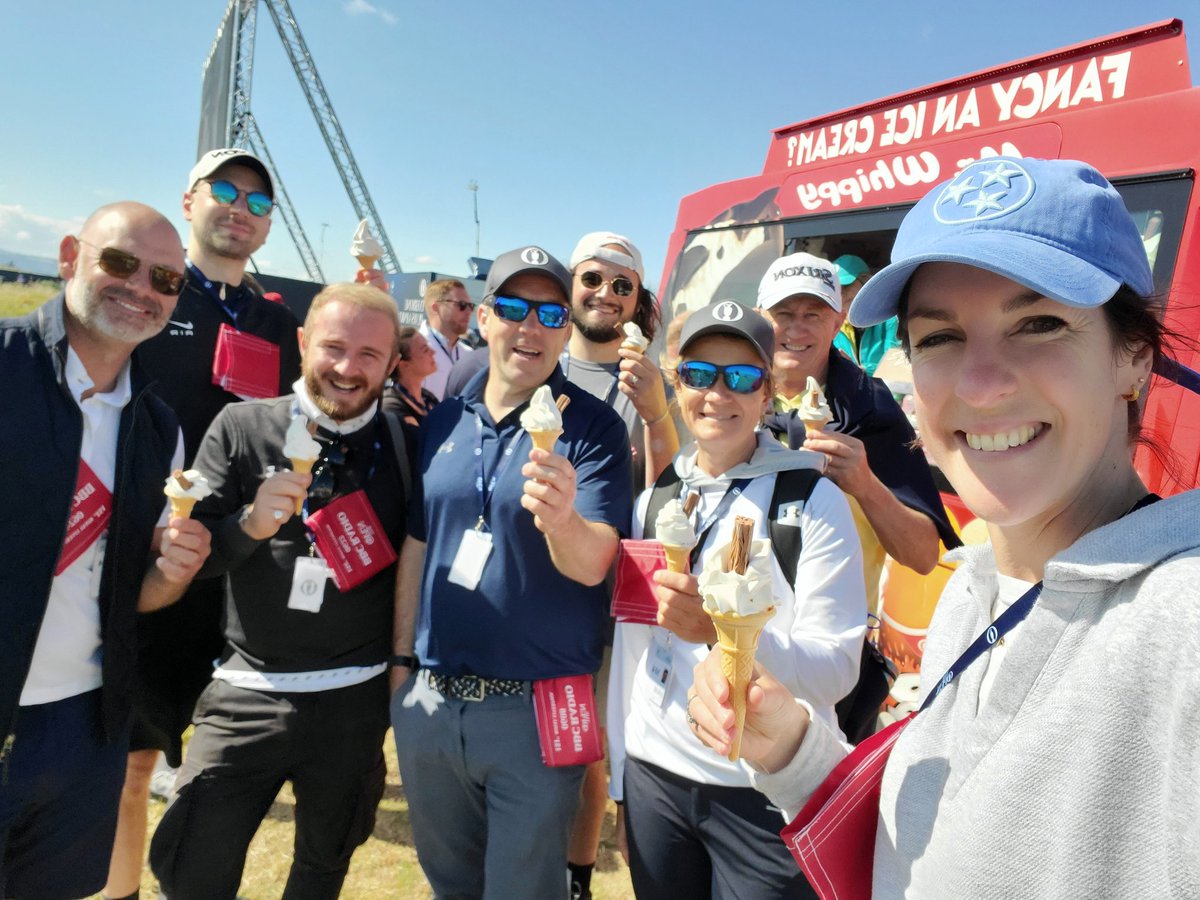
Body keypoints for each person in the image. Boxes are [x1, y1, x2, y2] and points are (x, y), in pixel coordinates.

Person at [688, 157, 1200, 898]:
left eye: (1040, 323)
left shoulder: (1181, 626)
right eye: (939, 338)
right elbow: (932, 857)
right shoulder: (973, 593)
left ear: (1134, 359)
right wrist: (797, 754)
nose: (980, 384)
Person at [149, 283, 413, 899]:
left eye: (370, 355)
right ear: (301, 343)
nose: (349, 369)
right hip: (247, 693)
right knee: (194, 869)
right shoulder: (242, 426)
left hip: (354, 700)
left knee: (322, 871)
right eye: (334, 347)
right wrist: (247, 526)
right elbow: (193, 561)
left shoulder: (405, 445)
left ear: (392, 363)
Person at [391, 246, 632, 899]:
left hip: (537, 708)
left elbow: (595, 563)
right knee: (451, 885)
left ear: (566, 328)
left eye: (551, 313)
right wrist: (399, 666)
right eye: (515, 308)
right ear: (487, 319)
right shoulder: (444, 418)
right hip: (433, 701)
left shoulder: (592, 429)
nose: (532, 326)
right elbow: (419, 542)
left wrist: (562, 521)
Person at [608, 301, 865, 899]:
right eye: (699, 374)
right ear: (677, 381)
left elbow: (835, 672)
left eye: (741, 378)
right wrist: (624, 775)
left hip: (762, 789)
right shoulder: (657, 496)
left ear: (767, 395)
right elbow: (635, 650)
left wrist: (718, 632)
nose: (717, 393)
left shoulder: (812, 502)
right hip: (657, 779)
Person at [0, 202, 210, 899]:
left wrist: (170, 574)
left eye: (166, 280)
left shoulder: (158, 427)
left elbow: (134, 594)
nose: (141, 288)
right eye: (120, 263)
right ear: (69, 257)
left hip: (82, 724)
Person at [108, 148, 302, 900]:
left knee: (220, 763)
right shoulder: (148, 296)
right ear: (189, 199)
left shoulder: (272, 319)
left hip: (243, 565)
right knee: (132, 760)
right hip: (153, 557)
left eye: (257, 201)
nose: (240, 208)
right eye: (226, 190)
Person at [561, 230, 679, 900]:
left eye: (622, 285)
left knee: (590, 748)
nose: (605, 294)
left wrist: (658, 413)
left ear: (637, 305)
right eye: (593, 280)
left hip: (613, 595)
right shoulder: (535, 359)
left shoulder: (650, 381)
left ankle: (577, 875)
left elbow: (668, 496)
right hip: (532, 584)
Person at [756, 252, 957, 607]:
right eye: (783, 314)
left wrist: (865, 485)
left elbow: (923, 557)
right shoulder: (730, 397)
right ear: (760, 318)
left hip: (832, 642)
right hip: (736, 627)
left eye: (813, 315)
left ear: (837, 324)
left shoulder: (871, 407)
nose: (796, 328)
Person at [833, 254, 899, 378]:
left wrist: (859, 371)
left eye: (846, 286)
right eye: (835, 288)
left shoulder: (890, 318)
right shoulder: (832, 324)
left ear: (866, 283)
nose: (840, 294)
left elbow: (896, 369)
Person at [419, 278, 474, 400]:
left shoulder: (469, 355)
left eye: (471, 306)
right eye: (462, 305)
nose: (469, 311)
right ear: (436, 307)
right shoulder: (414, 351)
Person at [383, 325, 439, 425]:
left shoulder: (428, 398)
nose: (433, 352)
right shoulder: (392, 406)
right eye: (425, 350)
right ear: (404, 365)